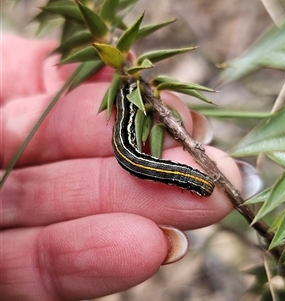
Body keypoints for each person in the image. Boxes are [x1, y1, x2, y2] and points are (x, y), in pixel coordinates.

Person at [1, 35, 242, 300]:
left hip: (130, 147)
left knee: (135, 159)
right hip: (130, 148)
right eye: (193, 181)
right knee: (134, 162)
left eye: (193, 182)